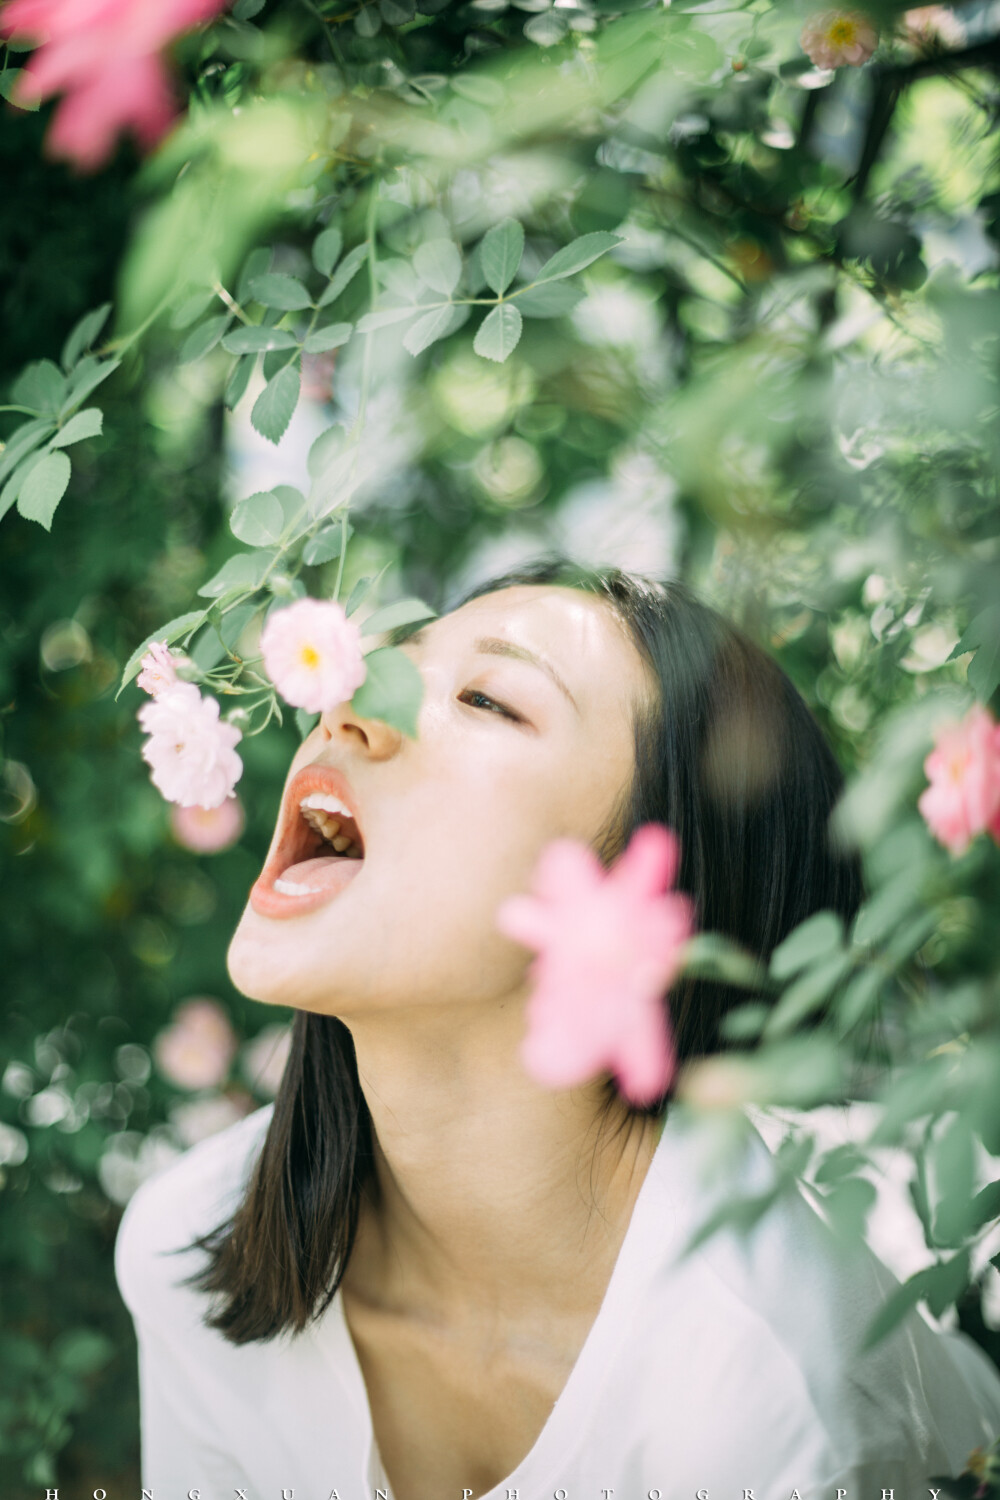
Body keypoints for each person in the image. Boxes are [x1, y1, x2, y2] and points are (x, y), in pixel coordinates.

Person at [115, 559, 1000, 1500]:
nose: (347, 706)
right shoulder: (188, 1253)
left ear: (663, 910)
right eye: (383, 665)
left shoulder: (766, 1407)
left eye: (490, 700)